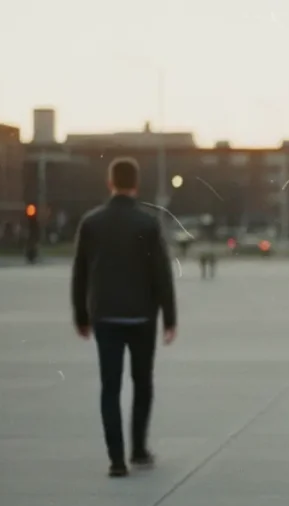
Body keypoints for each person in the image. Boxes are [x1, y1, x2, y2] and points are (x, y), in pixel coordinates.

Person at [71, 157, 178, 478]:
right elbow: (161, 275)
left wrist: (81, 315)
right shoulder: (147, 224)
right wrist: (169, 318)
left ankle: (116, 460)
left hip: (105, 317)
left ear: (110, 183)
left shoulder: (91, 223)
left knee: (110, 387)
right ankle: (139, 449)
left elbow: (80, 273)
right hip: (142, 317)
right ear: (136, 184)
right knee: (142, 383)